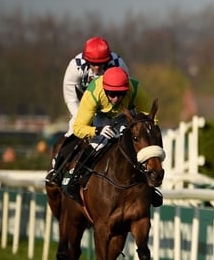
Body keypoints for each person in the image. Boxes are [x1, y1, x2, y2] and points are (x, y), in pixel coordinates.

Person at [48, 67, 162, 206]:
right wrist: (97, 130)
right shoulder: (93, 94)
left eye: (121, 94)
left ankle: (148, 186)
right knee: (98, 144)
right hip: (100, 117)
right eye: (112, 94)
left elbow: (151, 121)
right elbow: (78, 128)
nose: (116, 98)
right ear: (104, 89)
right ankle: (75, 177)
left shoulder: (136, 90)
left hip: (124, 116)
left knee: (136, 142)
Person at [62, 36, 129, 135]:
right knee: (73, 130)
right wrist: (80, 117)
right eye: (93, 64)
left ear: (107, 60)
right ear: (86, 60)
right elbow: (71, 98)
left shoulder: (118, 64)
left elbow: (124, 92)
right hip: (84, 106)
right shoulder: (75, 66)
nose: (97, 68)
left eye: (101, 63)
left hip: (108, 107)